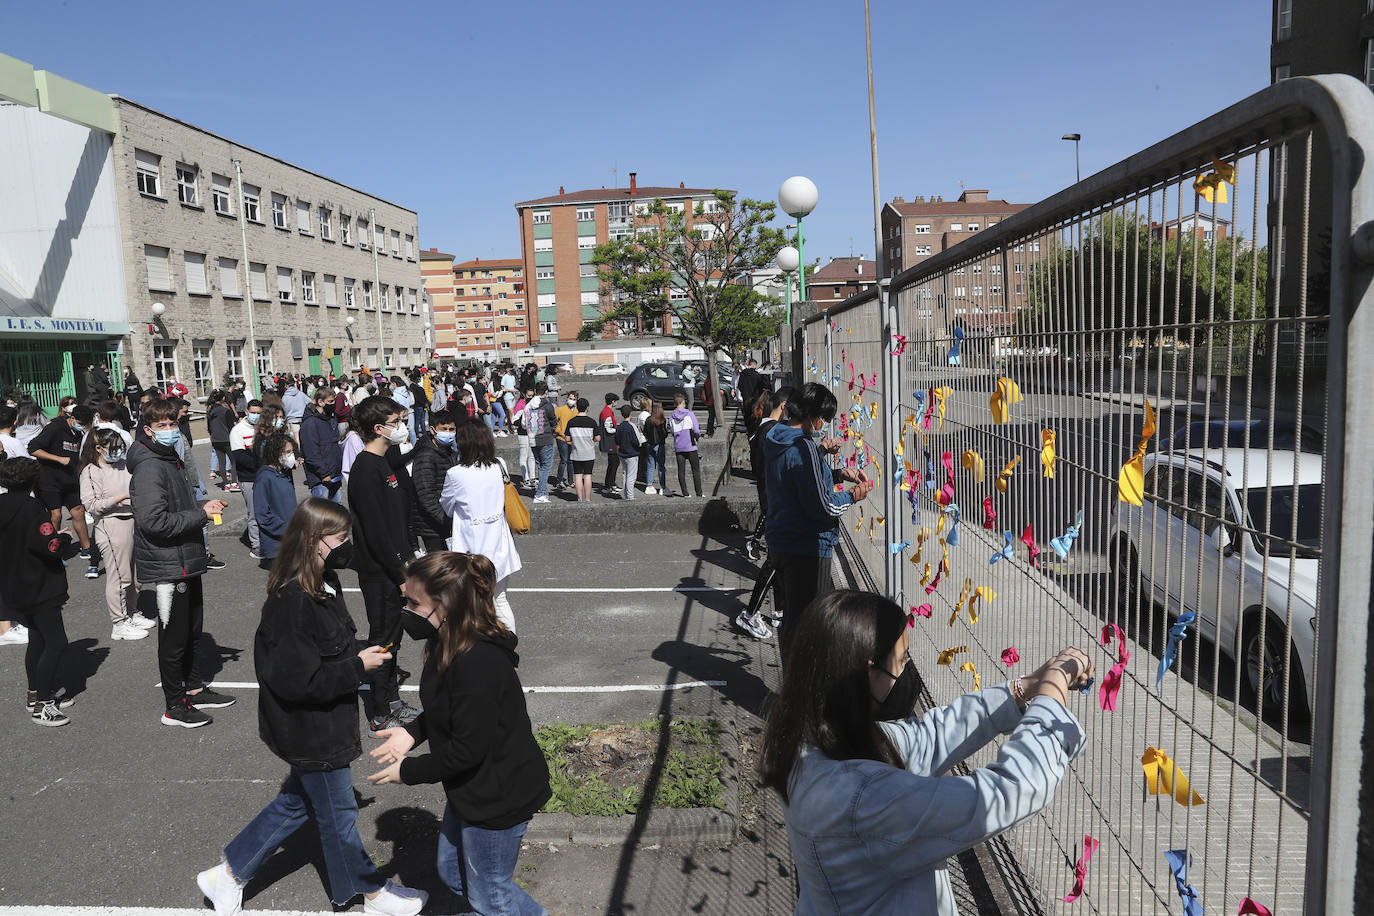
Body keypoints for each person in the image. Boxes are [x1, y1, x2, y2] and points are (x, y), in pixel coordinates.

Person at [758, 590, 1091, 915]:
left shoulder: (815, 739)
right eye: (902, 659)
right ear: (867, 670)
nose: (906, 668)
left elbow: (929, 737)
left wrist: (1023, 689)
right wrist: (1051, 696)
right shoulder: (861, 797)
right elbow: (998, 797)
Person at [196, 499, 427, 916]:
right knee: (338, 814)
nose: (346, 546)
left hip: (324, 725)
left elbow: (325, 650)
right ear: (312, 540)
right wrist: (359, 664)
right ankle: (374, 894)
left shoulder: (324, 580)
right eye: (340, 539)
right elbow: (299, 680)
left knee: (298, 804)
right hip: (310, 730)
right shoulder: (293, 601)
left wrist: (359, 652)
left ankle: (228, 876)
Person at [367, 551, 550, 916]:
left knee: (490, 896)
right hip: (473, 789)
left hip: (498, 796)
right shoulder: (447, 640)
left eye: (413, 603)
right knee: (453, 873)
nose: (405, 609)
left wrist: (408, 771)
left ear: (446, 604)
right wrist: (413, 732)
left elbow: (466, 752)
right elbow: (448, 709)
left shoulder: (477, 662)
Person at [129, 398, 233, 728]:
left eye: (174, 424)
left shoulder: (168, 458)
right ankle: (175, 705)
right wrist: (200, 515)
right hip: (168, 564)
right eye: (163, 426)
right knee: (174, 638)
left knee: (191, 631)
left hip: (185, 560)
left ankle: (195, 688)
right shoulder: (149, 466)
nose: (172, 430)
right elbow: (153, 522)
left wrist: (204, 504)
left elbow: (177, 505)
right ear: (148, 430)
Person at [764, 382, 872, 662]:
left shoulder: (776, 435)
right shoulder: (804, 447)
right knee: (808, 626)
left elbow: (798, 482)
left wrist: (836, 475)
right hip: (807, 546)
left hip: (781, 540)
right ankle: (799, 696)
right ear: (812, 414)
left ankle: (793, 691)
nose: (824, 424)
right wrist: (852, 495)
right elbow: (823, 506)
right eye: (824, 417)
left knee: (794, 620)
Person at [347, 396, 420, 731]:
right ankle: (379, 711)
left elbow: (396, 521)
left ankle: (391, 701)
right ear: (378, 429)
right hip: (380, 574)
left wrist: (410, 560)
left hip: (397, 567)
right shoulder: (364, 469)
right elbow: (376, 531)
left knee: (394, 638)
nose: (401, 426)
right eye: (396, 421)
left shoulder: (384, 462)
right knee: (382, 640)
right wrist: (398, 573)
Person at [0, 458, 75, 725]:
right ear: (33, 481)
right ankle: (43, 703)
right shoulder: (33, 508)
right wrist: (64, 536)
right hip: (40, 586)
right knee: (56, 643)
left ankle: (34, 692)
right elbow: (50, 547)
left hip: (13, 586)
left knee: (37, 639)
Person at [439, 423, 521, 632]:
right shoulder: (499, 464)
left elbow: (447, 506)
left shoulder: (455, 473)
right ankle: (510, 649)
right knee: (500, 600)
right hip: (499, 542)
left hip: (471, 546)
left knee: (470, 602)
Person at [78, 428, 152, 641]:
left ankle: (131, 611)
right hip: (112, 525)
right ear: (99, 448)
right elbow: (91, 505)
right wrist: (121, 497)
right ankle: (119, 623)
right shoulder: (91, 471)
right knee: (120, 576)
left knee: (137, 575)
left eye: (121, 446)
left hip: (134, 521)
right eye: (113, 448)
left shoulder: (125, 465)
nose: (118, 451)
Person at [737, 387, 792, 640]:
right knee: (774, 562)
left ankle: (779, 610)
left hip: (772, 500)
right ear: (784, 406)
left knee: (778, 562)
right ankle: (750, 614)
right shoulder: (771, 432)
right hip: (774, 502)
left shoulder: (764, 428)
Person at [28, 403, 96, 575]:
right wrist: (58, 459)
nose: (83, 426)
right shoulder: (55, 428)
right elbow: (33, 448)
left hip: (71, 480)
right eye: (80, 422)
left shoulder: (83, 431)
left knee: (78, 512)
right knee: (56, 515)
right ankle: (53, 550)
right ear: (72, 418)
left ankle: (87, 548)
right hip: (49, 480)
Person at [411, 410, 459, 552]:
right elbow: (426, 496)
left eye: (452, 429)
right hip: (432, 526)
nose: (448, 433)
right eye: (444, 429)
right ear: (433, 430)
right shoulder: (426, 455)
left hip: (445, 522)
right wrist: (446, 520)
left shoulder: (449, 452)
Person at [253, 432, 300, 570]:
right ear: (276, 453)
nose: (291, 455)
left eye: (292, 452)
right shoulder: (265, 478)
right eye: (287, 452)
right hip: (277, 546)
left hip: (290, 541)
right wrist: (287, 529)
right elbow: (262, 515)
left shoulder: (283, 474)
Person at [229, 400, 264, 559]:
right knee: (254, 513)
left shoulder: (262, 429)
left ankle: (268, 541)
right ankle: (256, 546)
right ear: (246, 412)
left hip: (264, 476)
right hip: (249, 478)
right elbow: (240, 457)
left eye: (259, 413)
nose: (256, 415)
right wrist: (263, 464)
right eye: (253, 412)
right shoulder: (238, 431)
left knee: (266, 510)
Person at [300, 387, 344, 503]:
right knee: (322, 513)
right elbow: (311, 452)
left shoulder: (330, 419)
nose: (333, 404)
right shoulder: (310, 422)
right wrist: (324, 473)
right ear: (320, 402)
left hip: (335, 474)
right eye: (330, 402)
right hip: (321, 478)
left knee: (336, 512)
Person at [521, 382, 558, 504]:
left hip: (532, 439)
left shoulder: (528, 406)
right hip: (545, 438)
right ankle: (540, 493)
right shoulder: (547, 405)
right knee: (546, 467)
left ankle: (543, 493)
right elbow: (553, 421)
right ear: (546, 392)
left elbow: (524, 424)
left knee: (540, 466)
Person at [669, 394, 704, 499]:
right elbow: (697, 430)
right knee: (695, 470)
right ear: (683, 402)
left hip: (679, 446)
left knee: (681, 471)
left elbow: (672, 432)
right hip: (691, 446)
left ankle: (685, 493)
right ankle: (699, 493)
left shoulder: (671, 417)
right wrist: (697, 438)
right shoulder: (690, 414)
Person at [565, 397, 598, 503]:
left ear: (577, 408)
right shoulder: (592, 422)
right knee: (588, 475)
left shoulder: (571, 422)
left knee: (578, 476)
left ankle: (579, 498)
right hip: (588, 453)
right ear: (587, 408)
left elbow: (567, 439)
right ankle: (587, 498)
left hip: (576, 453)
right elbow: (597, 438)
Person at [206, 390, 239, 493]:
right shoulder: (225, 411)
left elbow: (209, 427)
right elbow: (231, 426)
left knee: (221, 462)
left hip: (215, 439)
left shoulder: (210, 411)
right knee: (233, 461)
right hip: (226, 438)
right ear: (223, 398)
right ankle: (234, 482)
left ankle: (225, 484)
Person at [613, 403, 643, 501]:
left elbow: (617, 440)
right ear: (631, 413)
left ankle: (626, 495)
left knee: (625, 474)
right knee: (631, 476)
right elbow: (636, 441)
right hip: (632, 453)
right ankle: (630, 496)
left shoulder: (620, 426)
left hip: (622, 453)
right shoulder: (631, 426)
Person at [641, 402, 671, 496]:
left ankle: (649, 486)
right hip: (659, 444)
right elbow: (664, 434)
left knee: (650, 465)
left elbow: (644, 431)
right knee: (661, 467)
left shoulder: (648, 420)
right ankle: (663, 487)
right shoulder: (662, 420)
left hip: (650, 444)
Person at [512, 389, 537, 490]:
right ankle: (525, 478)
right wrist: (523, 424)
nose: (530, 398)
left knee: (532, 457)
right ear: (525, 396)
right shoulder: (521, 409)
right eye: (528, 395)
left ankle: (532, 478)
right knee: (524, 456)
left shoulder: (535, 409)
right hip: (523, 435)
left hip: (532, 435)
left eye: (532, 396)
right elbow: (514, 421)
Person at [553, 390, 578, 490]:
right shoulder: (560, 410)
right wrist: (561, 433)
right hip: (561, 438)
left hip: (572, 439)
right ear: (567, 398)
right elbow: (554, 423)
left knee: (571, 461)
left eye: (574, 399)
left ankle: (571, 480)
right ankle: (559, 480)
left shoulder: (577, 411)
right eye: (570, 398)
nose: (572, 401)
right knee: (564, 459)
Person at [598, 393, 620, 496]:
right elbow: (609, 429)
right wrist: (618, 429)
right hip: (610, 442)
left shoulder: (607, 411)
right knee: (613, 463)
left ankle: (611, 483)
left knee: (613, 463)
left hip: (611, 441)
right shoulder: (607, 412)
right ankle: (608, 485)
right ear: (613, 402)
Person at [737, 359, 764, 435]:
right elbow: (760, 386)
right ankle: (754, 429)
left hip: (746, 398)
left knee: (746, 414)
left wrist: (744, 393)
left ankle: (748, 429)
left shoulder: (742, 374)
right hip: (755, 398)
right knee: (755, 414)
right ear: (754, 365)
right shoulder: (757, 375)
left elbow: (740, 385)